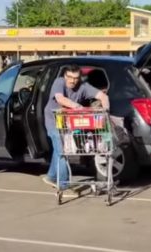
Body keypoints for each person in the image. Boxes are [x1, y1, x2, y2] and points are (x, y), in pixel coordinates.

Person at [42, 64, 109, 192]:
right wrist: (78, 107)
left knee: (59, 150)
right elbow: (60, 99)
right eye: (70, 77)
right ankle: (63, 184)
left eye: (76, 78)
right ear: (64, 76)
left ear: (80, 77)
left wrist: (105, 113)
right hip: (54, 120)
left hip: (69, 123)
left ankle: (51, 176)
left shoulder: (83, 86)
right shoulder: (59, 82)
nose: (72, 81)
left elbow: (103, 97)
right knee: (62, 151)